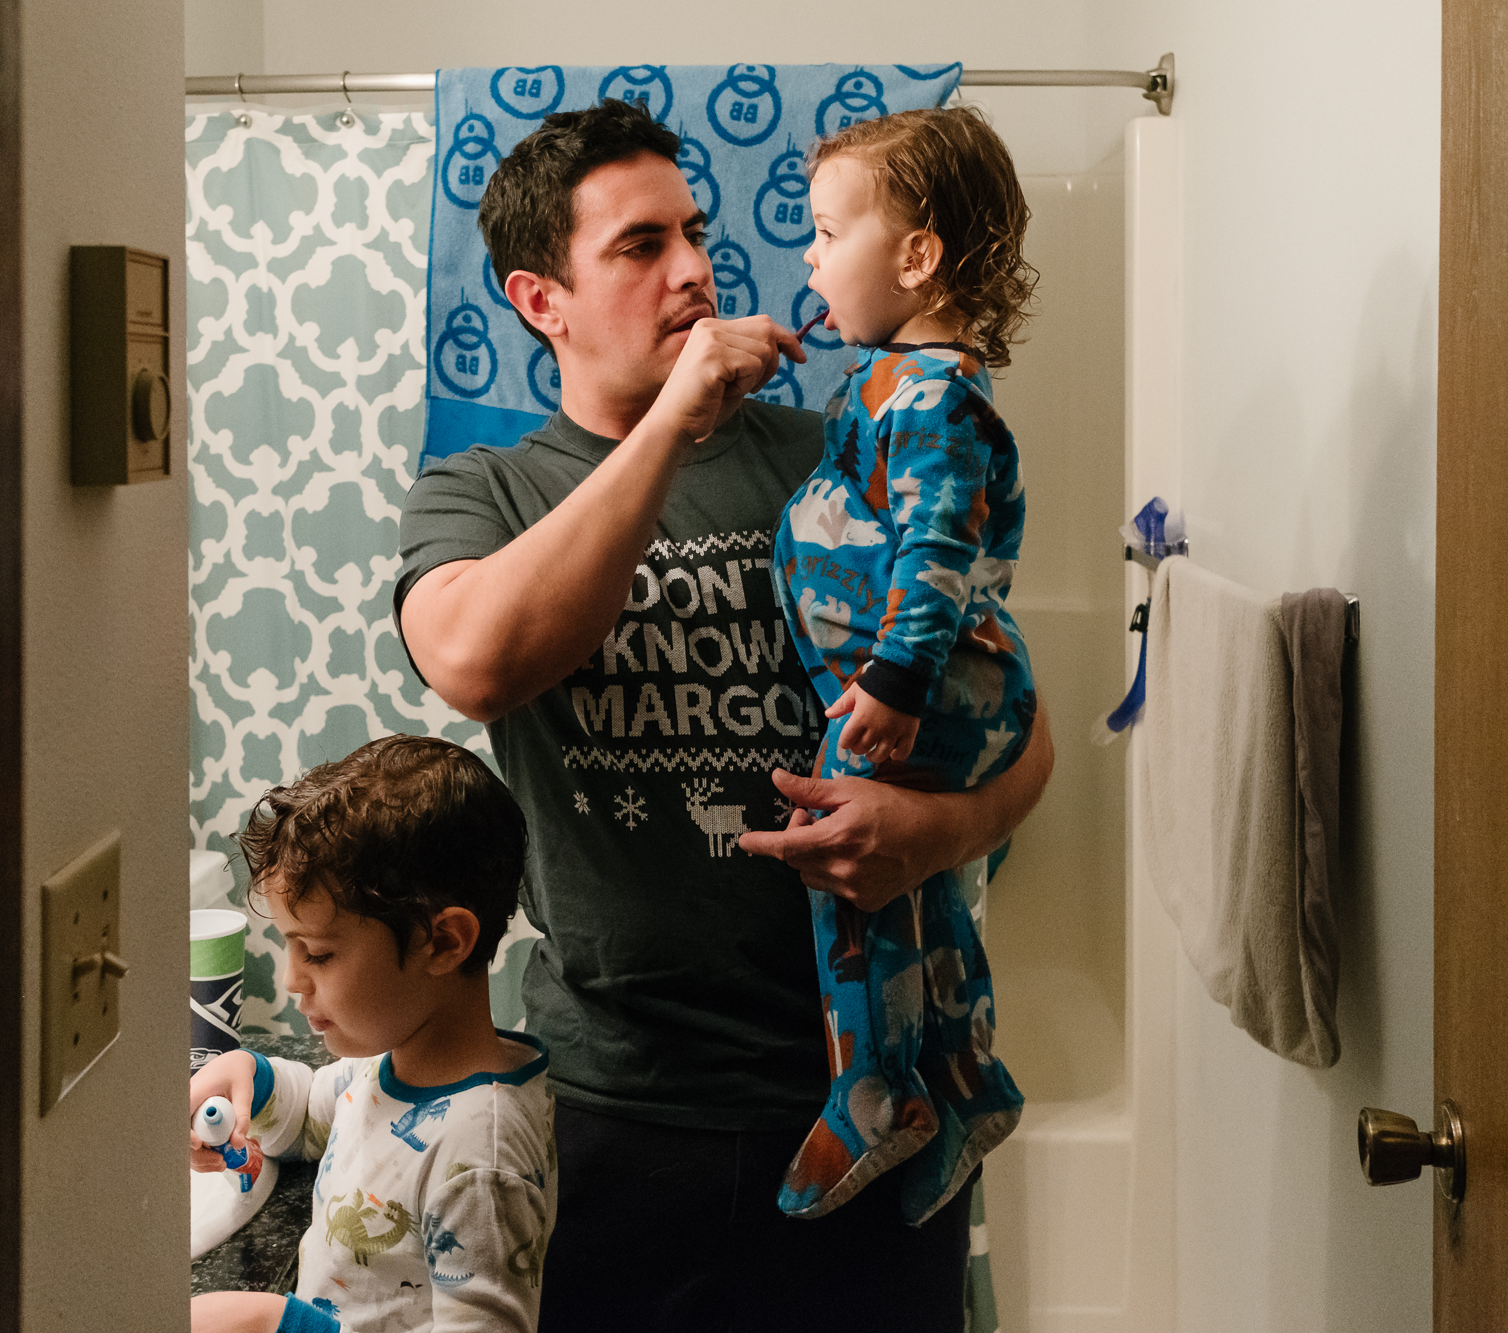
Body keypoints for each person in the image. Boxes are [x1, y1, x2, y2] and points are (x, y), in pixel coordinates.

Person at [396, 99, 1052, 1331]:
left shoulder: (840, 446)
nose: (694, 268)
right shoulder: (481, 489)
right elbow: (475, 663)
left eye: (691, 232)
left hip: (863, 1095)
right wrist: (665, 428)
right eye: (639, 247)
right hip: (617, 1110)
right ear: (542, 301)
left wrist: (932, 832)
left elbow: (1020, 724)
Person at [770, 106, 1038, 1228]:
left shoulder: (929, 394)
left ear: (915, 258)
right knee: (925, 903)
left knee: (855, 888)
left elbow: (933, 546)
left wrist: (886, 682)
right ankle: (964, 1077)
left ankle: (871, 1091)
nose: (807, 257)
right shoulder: (898, 380)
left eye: (827, 233)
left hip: (918, 686)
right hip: (931, 682)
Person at [188, 735, 556, 1333]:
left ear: (442, 942)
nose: (291, 981)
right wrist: (249, 1080)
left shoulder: (478, 1159)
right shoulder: (397, 1064)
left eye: (320, 954)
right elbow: (314, 1114)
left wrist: (285, 1325)